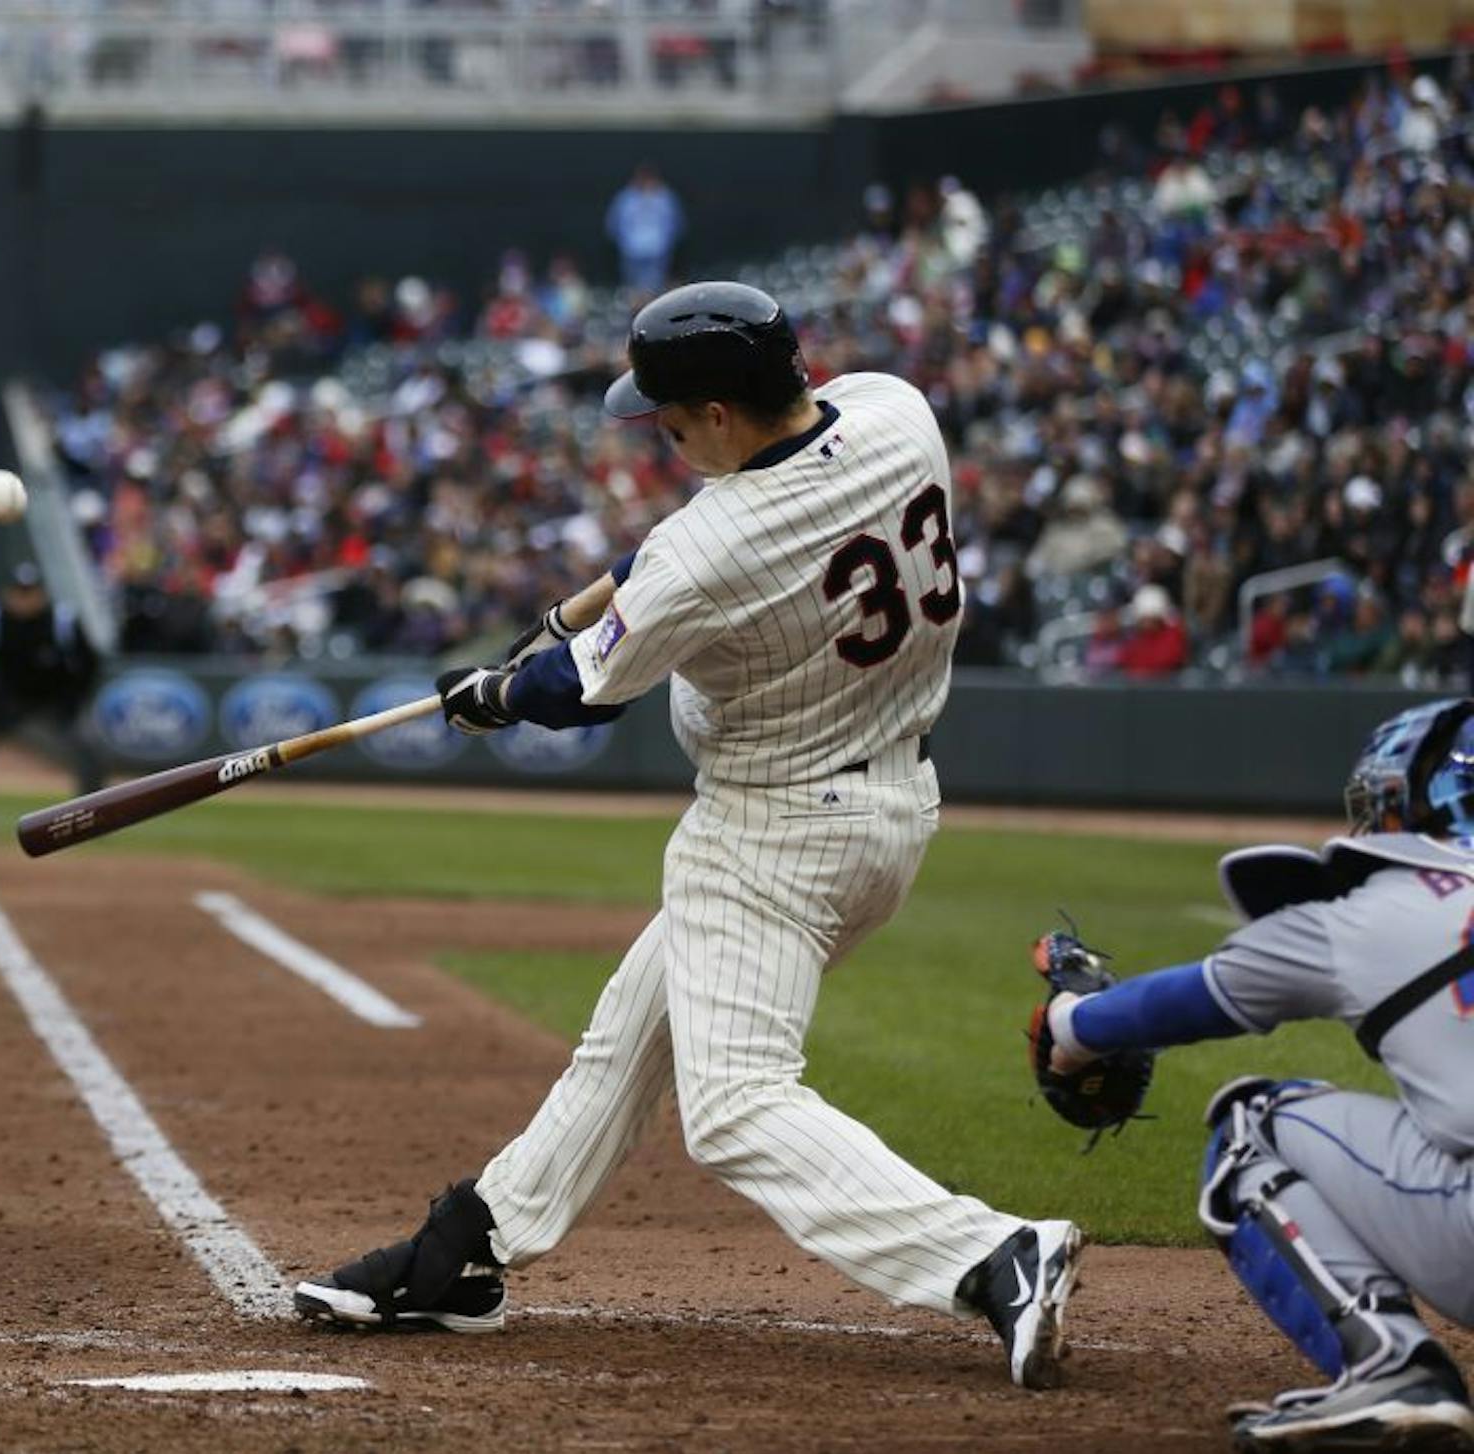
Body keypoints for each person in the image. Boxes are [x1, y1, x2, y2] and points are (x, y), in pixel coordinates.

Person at [294, 281, 1083, 1390]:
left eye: (668, 418)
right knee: (629, 1041)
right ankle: (470, 1244)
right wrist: (580, 609)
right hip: (892, 811)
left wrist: (491, 694)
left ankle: (989, 1254)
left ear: (717, 412)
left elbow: (580, 692)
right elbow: (689, 547)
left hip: (770, 832)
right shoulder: (897, 411)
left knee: (735, 1106)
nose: (659, 434)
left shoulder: (708, 548)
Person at [1032, 699, 1474, 1452]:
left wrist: (1070, 1026)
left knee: (1251, 1125)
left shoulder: (1370, 914)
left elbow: (1188, 1001)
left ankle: (1392, 1366)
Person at [0, 562, 101, 835]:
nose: (24, 599)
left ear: (42, 594)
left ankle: (93, 816)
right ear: (7, 593)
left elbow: (90, 664)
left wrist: (71, 703)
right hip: (3, 705)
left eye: (31, 592)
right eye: (19, 592)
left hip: (52, 706)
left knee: (88, 743)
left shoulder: (62, 621)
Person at [604, 164, 685, 295]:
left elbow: (676, 223)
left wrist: (665, 243)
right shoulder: (626, 199)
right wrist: (624, 244)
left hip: (657, 250)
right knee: (633, 288)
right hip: (632, 251)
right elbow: (614, 224)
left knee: (654, 286)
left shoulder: (665, 198)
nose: (647, 183)